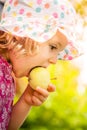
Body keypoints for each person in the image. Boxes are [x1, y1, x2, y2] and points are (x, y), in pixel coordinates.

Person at [0, 0, 81, 130]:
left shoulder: (6, 76)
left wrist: (26, 100)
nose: (54, 60)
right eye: (53, 47)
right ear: (23, 34)